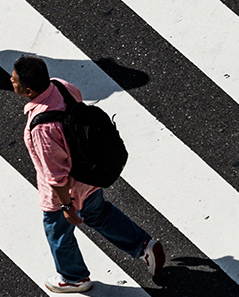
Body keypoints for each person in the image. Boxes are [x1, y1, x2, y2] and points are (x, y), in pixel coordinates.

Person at [11, 55, 164, 293]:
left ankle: (74, 277)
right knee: (98, 213)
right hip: (89, 173)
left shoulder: (42, 127)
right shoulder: (61, 85)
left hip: (66, 190)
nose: (11, 80)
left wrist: (66, 207)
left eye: (15, 79)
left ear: (28, 89)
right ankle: (143, 245)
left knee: (57, 230)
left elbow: (56, 175)